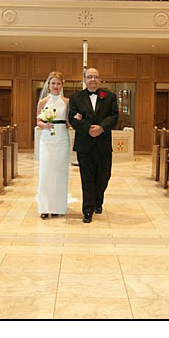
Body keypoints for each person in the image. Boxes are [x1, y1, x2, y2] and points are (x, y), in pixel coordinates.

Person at [68, 67, 119, 223]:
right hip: (85, 144)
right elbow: (72, 118)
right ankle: (88, 210)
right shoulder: (76, 97)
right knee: (87, 178)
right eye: (89, 76)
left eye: (95, 76)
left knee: (104, 176)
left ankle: (98, 200)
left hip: (103, 143)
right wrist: (88, 129)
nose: (92, 79)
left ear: (100, 79)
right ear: (84, 79)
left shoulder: (109, 96)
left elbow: (114, 116)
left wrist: (101, 127)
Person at [36, 71, 71, 219]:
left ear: (62, 85)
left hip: (62, 137)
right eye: (53, 83)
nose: (55, 86)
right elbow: (38, 121)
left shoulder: (67, 102)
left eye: (58, 83)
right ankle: (45, 207)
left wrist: (77, 119)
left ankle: (58, 207)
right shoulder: (43, 102)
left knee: (60, 172)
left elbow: (69, 123)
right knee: (46, 171)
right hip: (47, 139)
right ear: (48, 85)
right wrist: (45, 125)